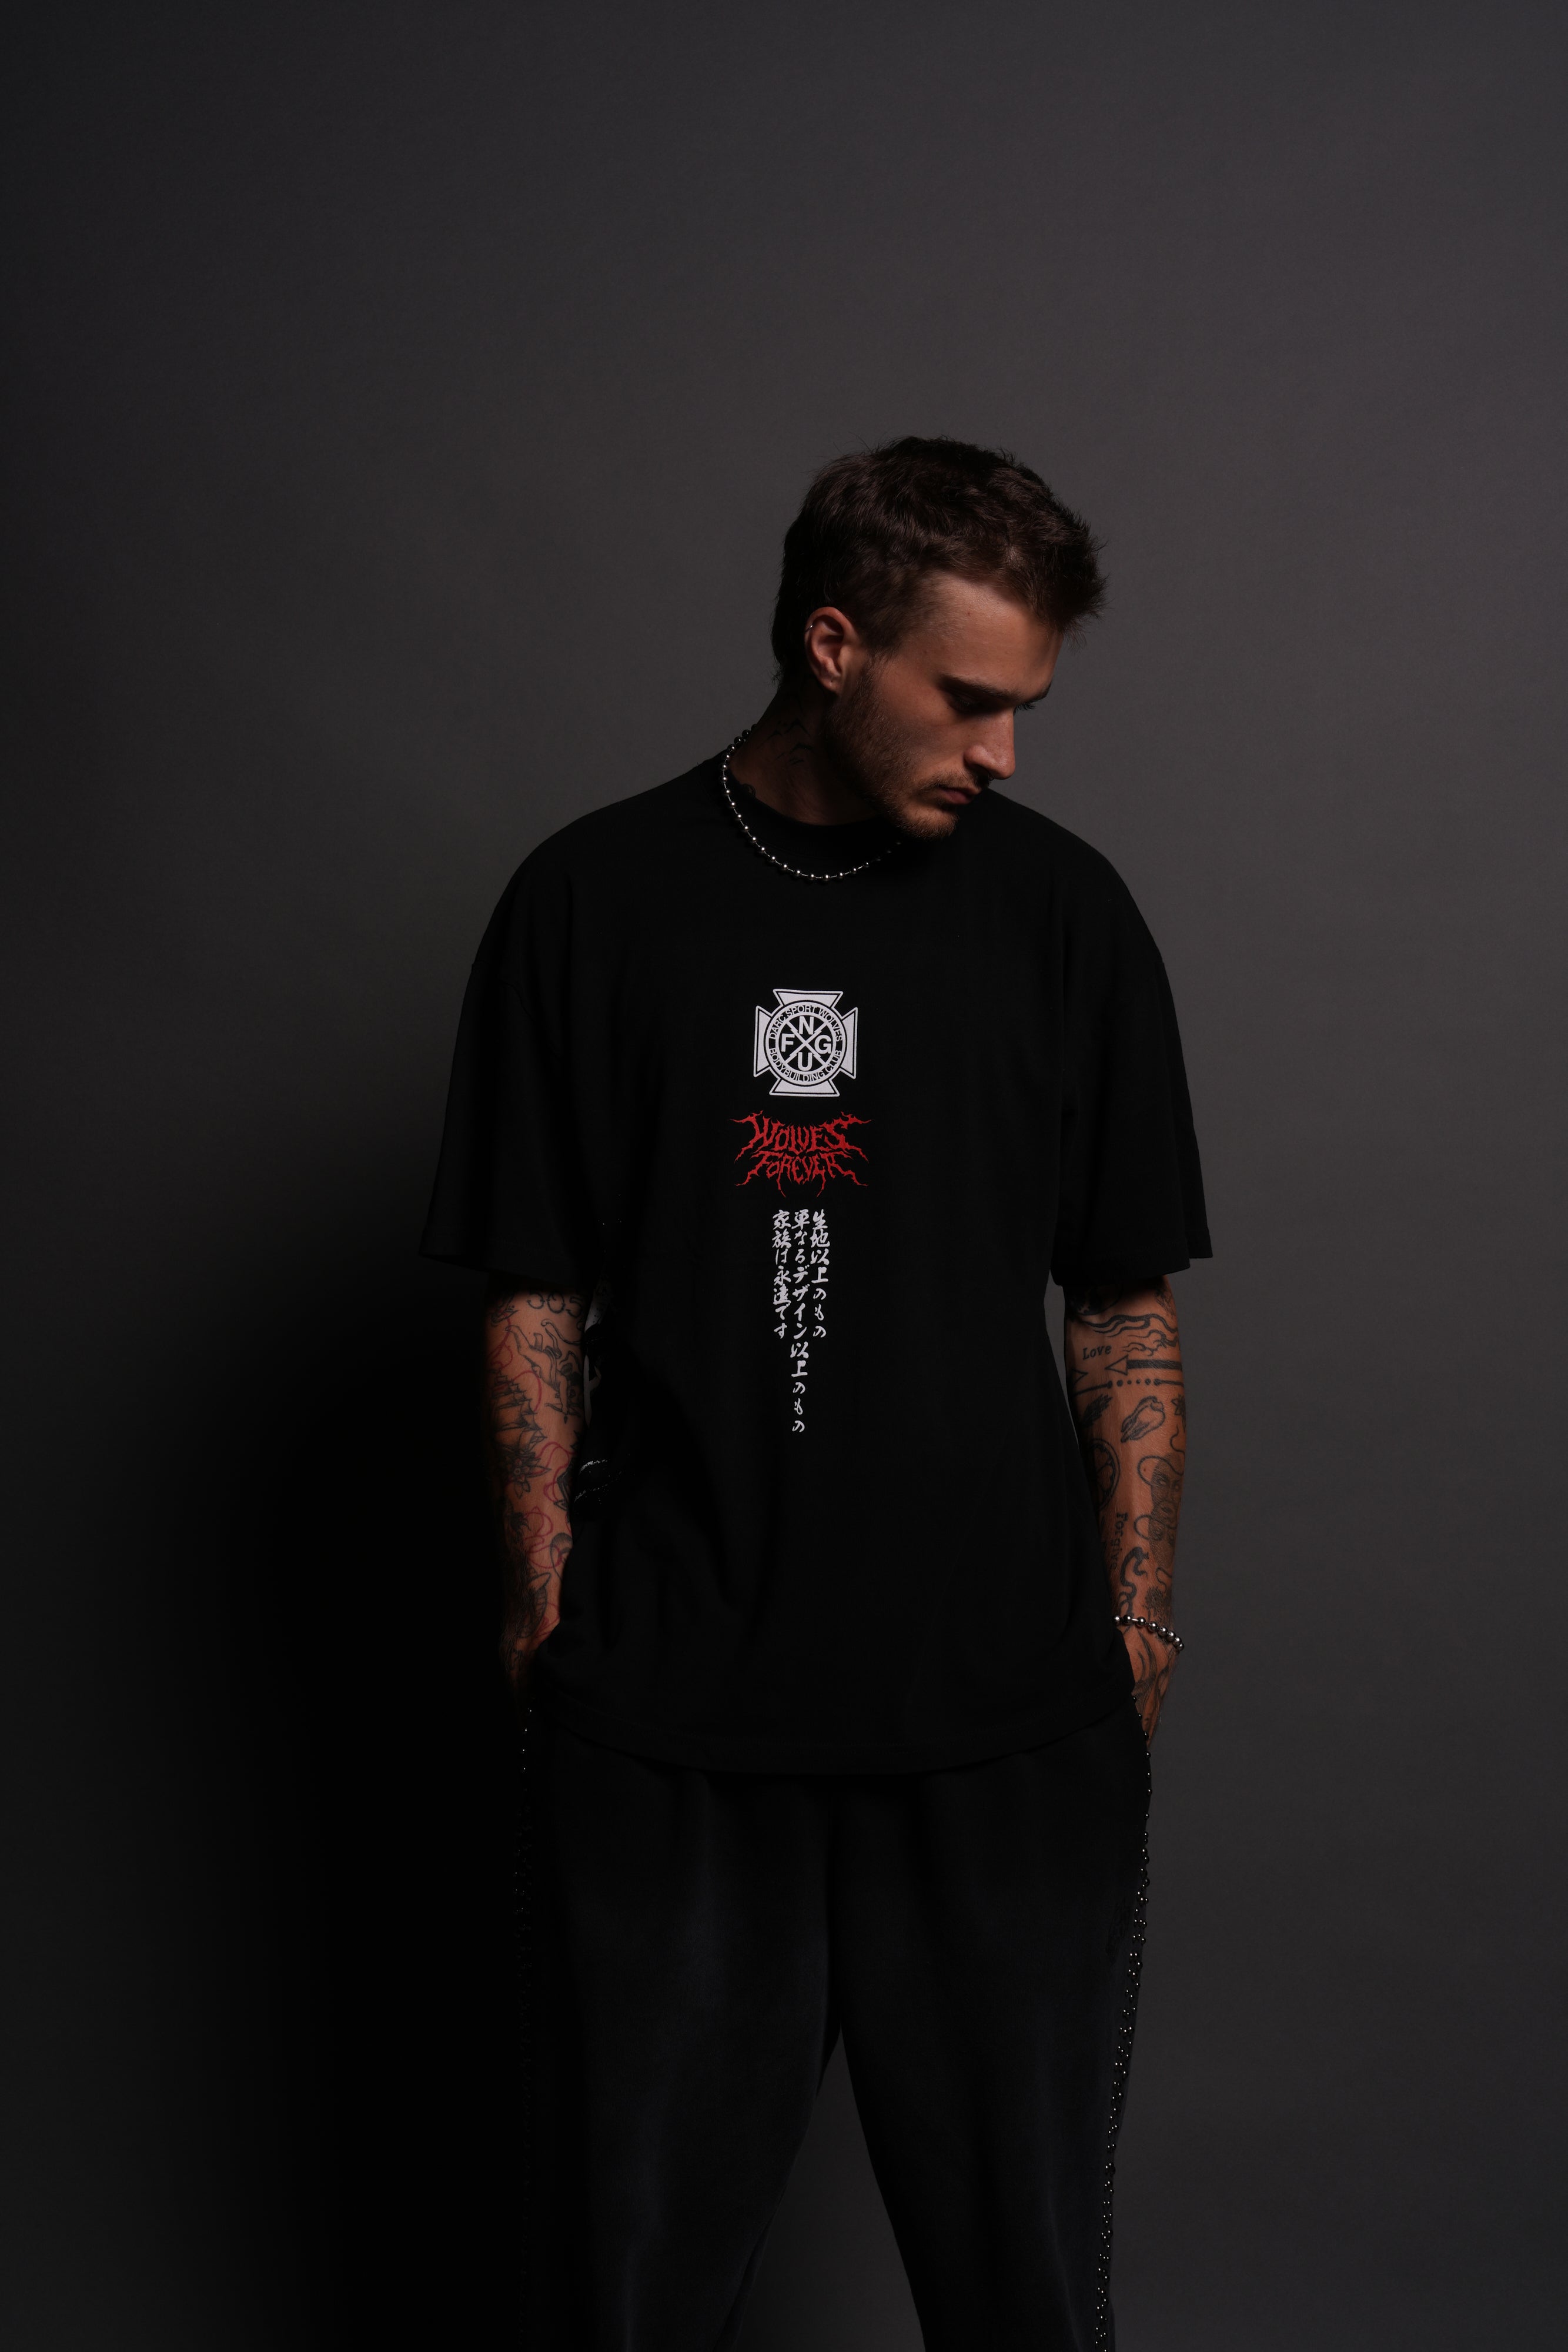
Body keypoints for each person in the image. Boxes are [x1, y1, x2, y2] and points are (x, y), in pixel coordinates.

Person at [422, 435, 1209, 2349]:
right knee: (624, 2294)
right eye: (968, 699)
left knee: (1028, 2298)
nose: (1001, 752)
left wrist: (1132, 1623)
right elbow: (533, 1291)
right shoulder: (591, 901)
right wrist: (541, 1607)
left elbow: (1122, 1306)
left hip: (1001, 1727)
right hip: (676, 1722)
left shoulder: (1065, 917)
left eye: (1025, 709)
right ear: (833, 644)